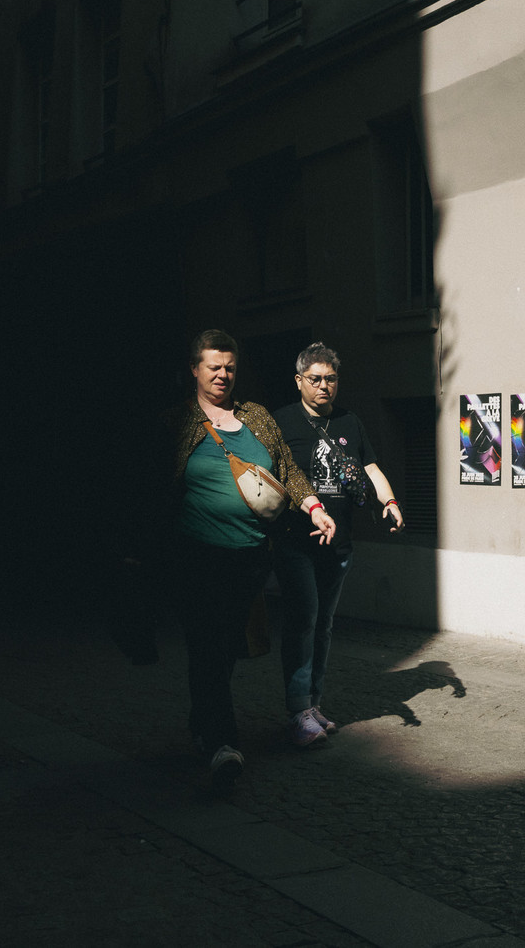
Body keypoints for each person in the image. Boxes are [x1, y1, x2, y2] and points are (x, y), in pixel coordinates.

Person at [166, 329, 336, 791]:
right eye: (213, 366)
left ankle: (204, 723)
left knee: (227, 649)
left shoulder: (256, 416)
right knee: (209, 644)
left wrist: (314, 508)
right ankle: (224, 744)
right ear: (195, 370)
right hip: (198, 557)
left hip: (250, 557)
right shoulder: (177, 422)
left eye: (229, 367)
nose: (223, 374)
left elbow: (287, 469)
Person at [271, 342, 404, 747]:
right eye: (315, 379)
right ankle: (297, 711)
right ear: (299, 381)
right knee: (304, 619)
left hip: (339, 544)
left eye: (331, 378)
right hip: (296, 541)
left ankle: (312, 704)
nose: (324, 386)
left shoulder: (350, 422)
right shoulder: (281, 422)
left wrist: (390, 501)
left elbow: (370, 466)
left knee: (324, 625)